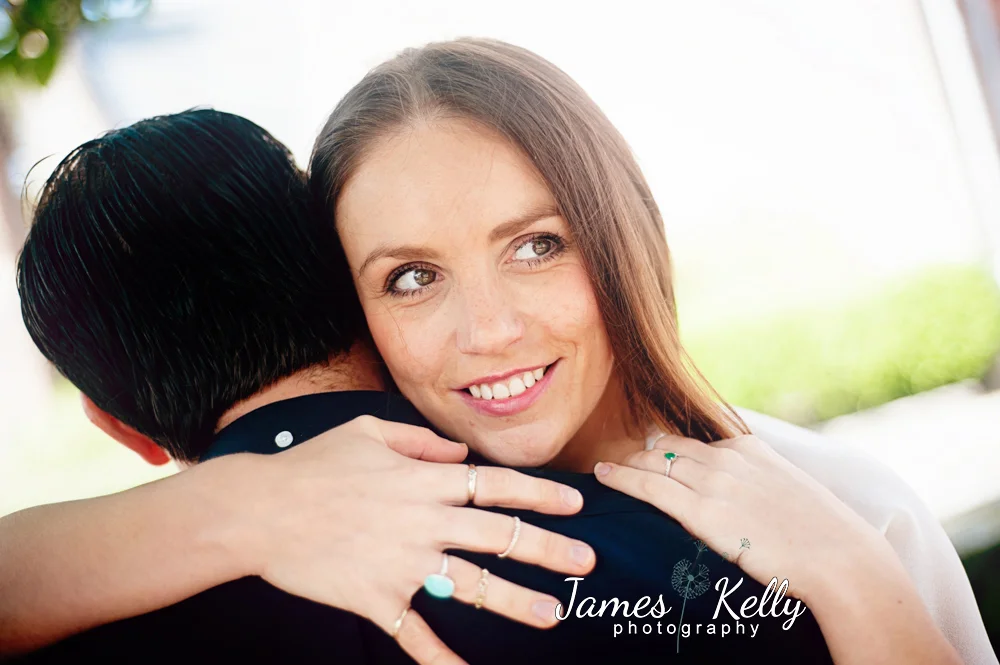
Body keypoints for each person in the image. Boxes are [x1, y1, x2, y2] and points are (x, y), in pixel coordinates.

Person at [5, 35, 996, 661]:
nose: (488, 329)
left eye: (535, 244)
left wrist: (851, 570)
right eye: (411, 275)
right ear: (343, 297)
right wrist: (238, 504)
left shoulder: (837, 511)